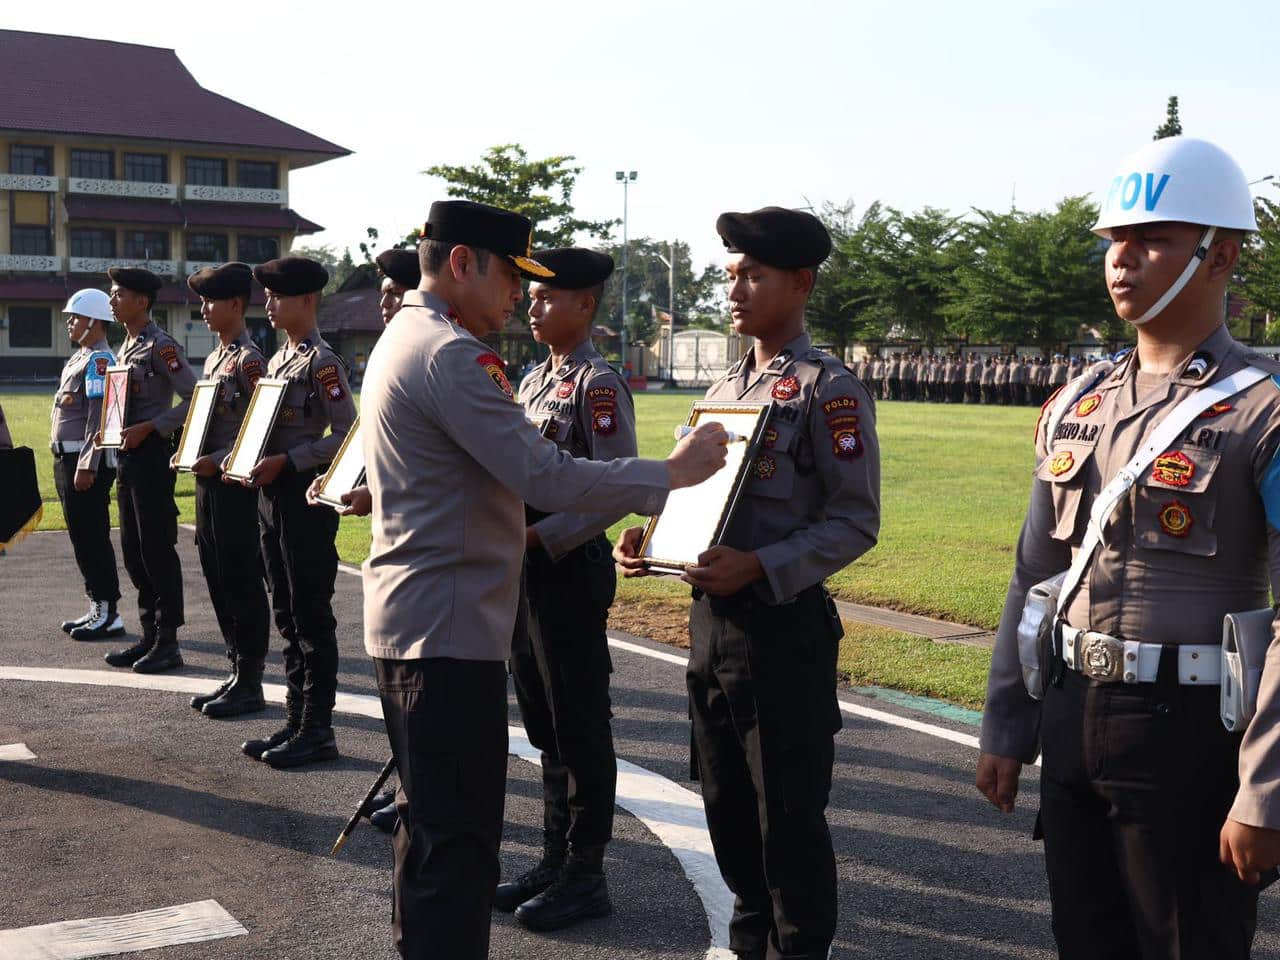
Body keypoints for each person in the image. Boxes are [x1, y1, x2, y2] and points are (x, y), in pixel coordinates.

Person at [360, 199, 729, 960]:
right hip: (447, 627)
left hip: (430, 616)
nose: (517, 299)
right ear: (463, 263)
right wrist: (675, 473)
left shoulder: (407, 334)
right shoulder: (450, 352)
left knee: (439, 835)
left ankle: (573, 866)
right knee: (454, 850)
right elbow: (542, 472)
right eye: (511, 279)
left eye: (541, 287)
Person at [976, 137, 1280, 959]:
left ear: (1219, 255)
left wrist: (1266, 788)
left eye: (1153, 239)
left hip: (1189, 735)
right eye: (1115, 240)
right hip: (1075, 713)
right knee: (1086, 940)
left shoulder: (1263, 412)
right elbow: (1036, 571)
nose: (1123, 260)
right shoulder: (1078, 399)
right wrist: (1008, 721)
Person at [616, 205, 880, 960]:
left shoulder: (828, 389)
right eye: (731, 274)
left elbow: (855, 520)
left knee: (788, 818)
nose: (735, 288)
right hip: (713, 629)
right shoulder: (730, 386)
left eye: (753, 274)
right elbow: (702, 498)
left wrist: (760, 564)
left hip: (781, 630)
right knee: (726, 808)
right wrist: (655, 541)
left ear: (799, 283)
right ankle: (747, 943)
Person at [493, 247, 631, 930]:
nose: (534, 304)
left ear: (585, 305)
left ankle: (586, 874)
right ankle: (554, 858)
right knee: (545, 721)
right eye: (532, 295)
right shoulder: (531, 379)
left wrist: (544, 537)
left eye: (549, 296)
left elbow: (614, 489)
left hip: (567, 568)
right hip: (525, 570)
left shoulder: (597, 385)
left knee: (578, 724)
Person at [234, 256, 357, 768]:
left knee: (310, 615)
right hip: (272, 495)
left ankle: (318, 729)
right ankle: (294, 717)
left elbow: (349, 435)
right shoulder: (281, 359)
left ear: (307, 301)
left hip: (305, 498)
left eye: (277, 295)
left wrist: (291, 459)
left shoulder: (321, 362)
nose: (267, 303)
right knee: (284, 612)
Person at [182, 263, 271, 719]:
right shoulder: (217, 356)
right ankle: (236, 669)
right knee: (216, 574)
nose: (203, 309)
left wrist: (216, 459)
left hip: (233, 485)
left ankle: (251, 680)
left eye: (210, 301)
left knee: (240, 579)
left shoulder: (251, 360)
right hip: (207, 484)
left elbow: (262, 426)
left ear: (236, 304)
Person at [102, 267, 195, 673]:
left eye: (118, 293)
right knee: (134, 551)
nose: (111, 299)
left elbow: (194, 397)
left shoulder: (161, 346)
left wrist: (152, 427)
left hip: (153, 457)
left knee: (156, 548)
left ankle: (169, 640)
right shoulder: (126, 346)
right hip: (127, 458)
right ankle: (149, 636)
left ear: (142, 301)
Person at [52, 288, 123, 641]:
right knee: (82, 537)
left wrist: (87, 464)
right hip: (67, 455)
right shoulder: (81, 357)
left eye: (75, 317)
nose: (69, 321)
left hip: (83, 459)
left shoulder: (100, 360)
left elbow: (99, 417)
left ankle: (109, 612)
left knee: (93, 536)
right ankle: (97, 604)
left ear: (94, 321)